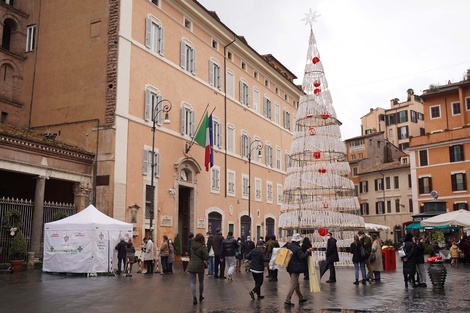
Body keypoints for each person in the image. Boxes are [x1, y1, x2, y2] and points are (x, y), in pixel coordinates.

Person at [284, 233, 311, 306]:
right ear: (298, 241)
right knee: (293, 284)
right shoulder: (297, 248)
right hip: (295, 268)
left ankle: (300, 297)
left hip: (289, 266)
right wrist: (308, 251)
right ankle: (287, 299)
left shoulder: (289, 246)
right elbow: (302, 256)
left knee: (296, 283)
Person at [187, 233, 209, 305]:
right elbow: (206, 256)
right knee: (201, 281)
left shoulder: (192, 245)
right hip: (199, 265)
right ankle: (200, 296)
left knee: (193, 282)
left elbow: (190, 254)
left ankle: (194, 298)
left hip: (192, 264)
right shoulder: (202, 246)